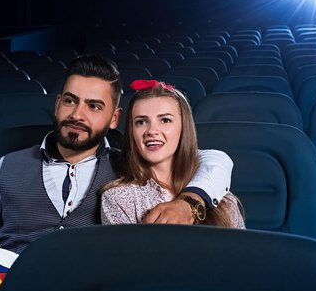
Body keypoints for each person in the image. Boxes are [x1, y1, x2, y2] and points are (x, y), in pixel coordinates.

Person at [0, 55, 234, 254]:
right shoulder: (8, 165)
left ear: (114, 118)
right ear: (58, 104)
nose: (77, 115)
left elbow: (214, 160)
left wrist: (190, 201)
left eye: (94, 106)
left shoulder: (131, 168)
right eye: (70, 101)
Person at [101, 79, 245, 228]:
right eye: (141, 122)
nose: (151, 131)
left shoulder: (221, 197)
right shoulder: (118, 199)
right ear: (132, 132)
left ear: (183, 128)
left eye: (165, 120)